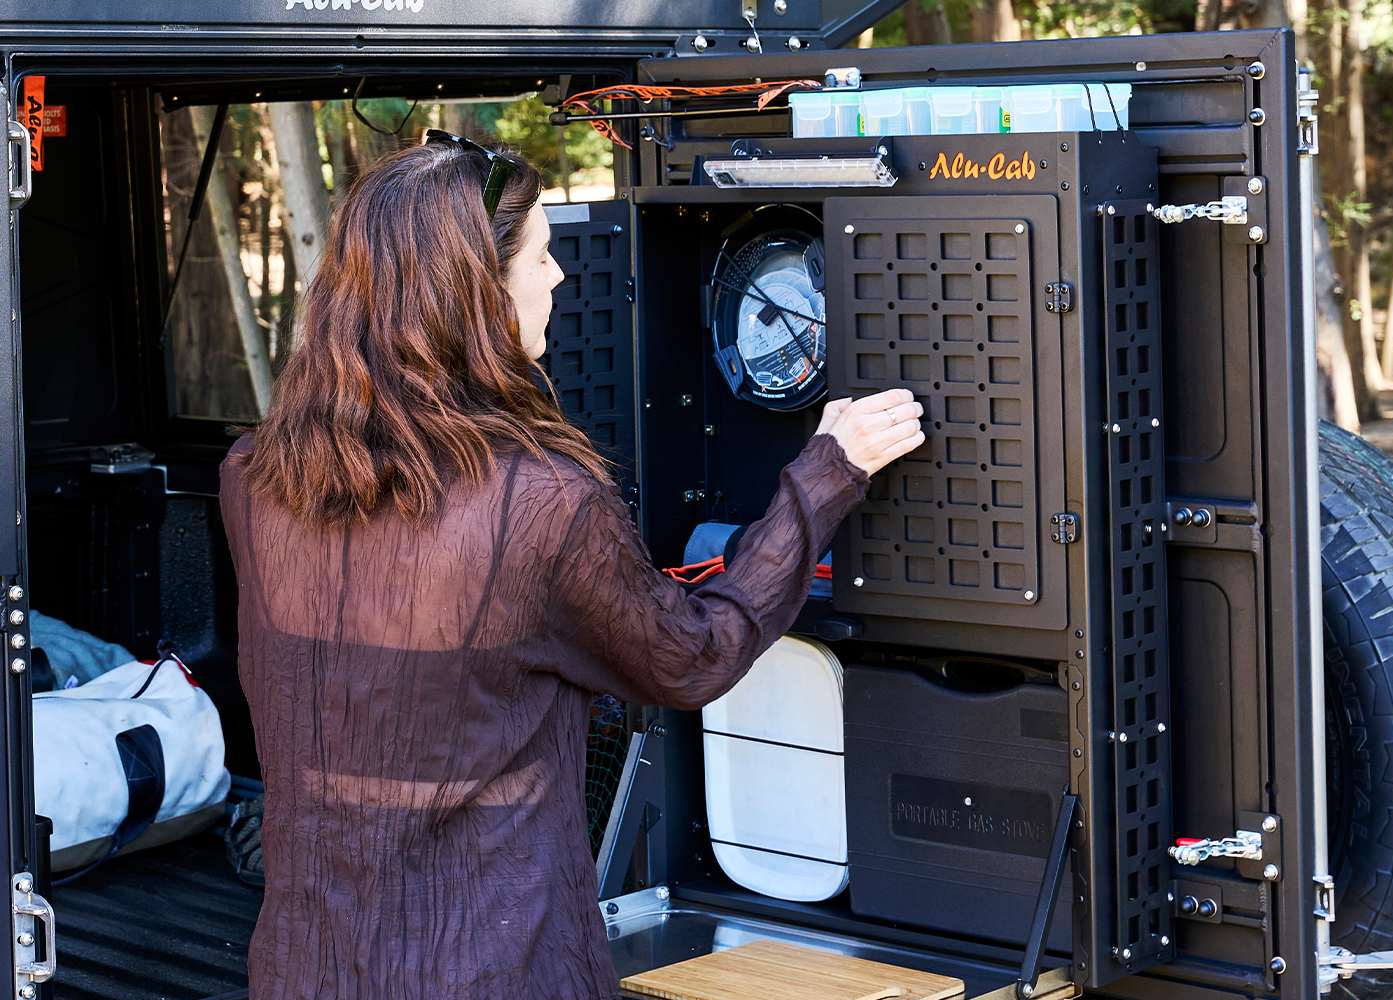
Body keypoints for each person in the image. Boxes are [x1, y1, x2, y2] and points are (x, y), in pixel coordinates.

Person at [218, 132, 925, 999]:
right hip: (492, 970)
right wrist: (826, 473)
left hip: (306, 970)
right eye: (543, 256)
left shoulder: (253, 477)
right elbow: (693, 655)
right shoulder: (540, 504)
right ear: (479, 295)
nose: (559, 278)